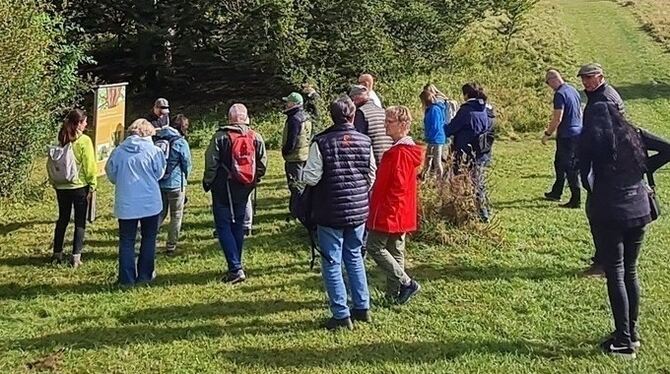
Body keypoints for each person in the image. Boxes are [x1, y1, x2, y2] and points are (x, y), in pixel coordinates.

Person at [578, 102, 653, 359]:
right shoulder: (635, 134)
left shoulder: (589, 141)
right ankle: (631, 333)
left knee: (616, 273)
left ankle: (622, 341)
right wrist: (643, 170)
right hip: (639, 209)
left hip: (608, 211)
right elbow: (667, 148)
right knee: (630, 271)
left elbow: (585, 179)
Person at [304, 96, 376, 330]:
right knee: (354, 256)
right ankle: (362, 306)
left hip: (330, 209)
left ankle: (340, 314)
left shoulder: (322, 142)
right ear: (353, 116)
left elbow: (312, 177)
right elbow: (371, 175)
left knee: (332, 261)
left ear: (331, 116)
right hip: (357, 209)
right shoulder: (365, 141)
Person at [203, 103, 267, 284]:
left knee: (223, 226)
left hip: (224, 186)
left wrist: (208, 182)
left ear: (229, 118)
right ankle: (236, 265)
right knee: (238, 224)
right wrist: (254, 179)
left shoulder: (220, 136)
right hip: (245, 186)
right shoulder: (255, 136)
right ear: (246, 118)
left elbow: (211, 163)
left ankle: (235, 268)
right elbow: (262, 162)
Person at [367, 106, 423, 304]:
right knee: (395, 249)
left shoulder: (398, 153)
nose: (385, 125)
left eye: (389, 122)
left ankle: (406, 283)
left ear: (403, 124)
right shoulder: (405, 151)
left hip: (391, 209)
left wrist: (382, 209)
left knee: (374, 246)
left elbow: (396, 186)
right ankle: (393, 295)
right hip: (402, 209)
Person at [578, 63, 626, 277]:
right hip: (608, 165)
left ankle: (604, 263)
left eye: (590, 77)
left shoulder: (604, 99)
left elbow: (607, 137)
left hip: (605, 167)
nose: (586, 82)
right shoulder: (602, 95)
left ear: (601, 77)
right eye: (583, 78)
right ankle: (606, 259)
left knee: (599, 215)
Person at [106, 119, 166, 286]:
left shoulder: (118, 151)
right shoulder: (154, 151)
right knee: (149, 238)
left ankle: (126, 278)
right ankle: (145, 275)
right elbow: (159, 173)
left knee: (127, 240)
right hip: (149, 202)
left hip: (126, 202)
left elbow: (111, 174)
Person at [49, 109, 97, 268]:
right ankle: (76, 256)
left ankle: (57, 253)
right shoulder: (84, 141)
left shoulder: (62, 137)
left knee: (62, 218)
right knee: (79, 221)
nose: (86, 124)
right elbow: (89, 165)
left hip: (61, 185)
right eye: (84, 122)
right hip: (78, 185)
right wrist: (92, 183)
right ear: (78, 124)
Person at [446, 83, 495, 223]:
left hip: (465, 152)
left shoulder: (466, 110)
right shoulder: (487, 110)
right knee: (479, 181)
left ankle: (476, 213)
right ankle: (483, 209)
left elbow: (450, 129)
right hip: (482, 151)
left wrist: (444, 125)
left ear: (466, 95)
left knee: (466, 182)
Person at [542, 69, 583, 208]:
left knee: (569, 167)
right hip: (577, 132)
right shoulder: (573, 90)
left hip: (567, 136)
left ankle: (575, 199)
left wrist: (547, 134)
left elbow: (557, 117)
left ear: (553, 79)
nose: (549, 87)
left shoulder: (559, 94)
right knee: (559, 163)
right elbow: (579, 111)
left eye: (548, 83)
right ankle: (556, 192)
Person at [156, 114, 192, 256]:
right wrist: (186, 179)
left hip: (160, 182)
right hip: (176, 184)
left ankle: (149, 238)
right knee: (176, 215)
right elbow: (187, 164)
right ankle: (171, 245)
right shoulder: (180, 142)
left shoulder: (159, 138)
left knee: (160, 213)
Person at [281, 92, 312, 218]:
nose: (286, 104)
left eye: (288, 102)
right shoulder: (305, 116)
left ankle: (297, 213)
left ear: (294, 104)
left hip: (295, 157)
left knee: (295, 185)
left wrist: (285, 151)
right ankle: (299, 210)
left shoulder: (294, 118)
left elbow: (291, 140)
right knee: (300, 184)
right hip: (304, 155)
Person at [350, 84, 393, 164]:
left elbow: (359, 138)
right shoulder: (382, 111)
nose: (352, 102)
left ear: (357, 98)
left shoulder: (361, 113)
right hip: (389, 156)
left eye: (352, 99)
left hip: (375, 159)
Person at [419, 84, 449, 179]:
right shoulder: (432, 109)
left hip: (436, 138)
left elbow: (435, 126)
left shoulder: (434, 110)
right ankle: (424, 176)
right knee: (428, 159)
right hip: (433, 138)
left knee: (437, 161)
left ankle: (440, 180)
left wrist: (429, 137)